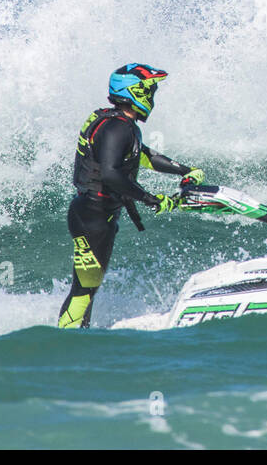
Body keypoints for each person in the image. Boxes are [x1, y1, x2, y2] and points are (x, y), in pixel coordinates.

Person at [56, 63, 204, 329]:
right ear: (135, 92)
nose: (153, 98)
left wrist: (184, 170)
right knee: (83, 291)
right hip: (93, 217)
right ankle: (65, 348)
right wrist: (150, 199)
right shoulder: (118, 128)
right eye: (151, 91)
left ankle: (77, 342)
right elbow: (112, 174)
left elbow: (142, 156)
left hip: (96, 214)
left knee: (86, 290)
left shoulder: (116, 123)